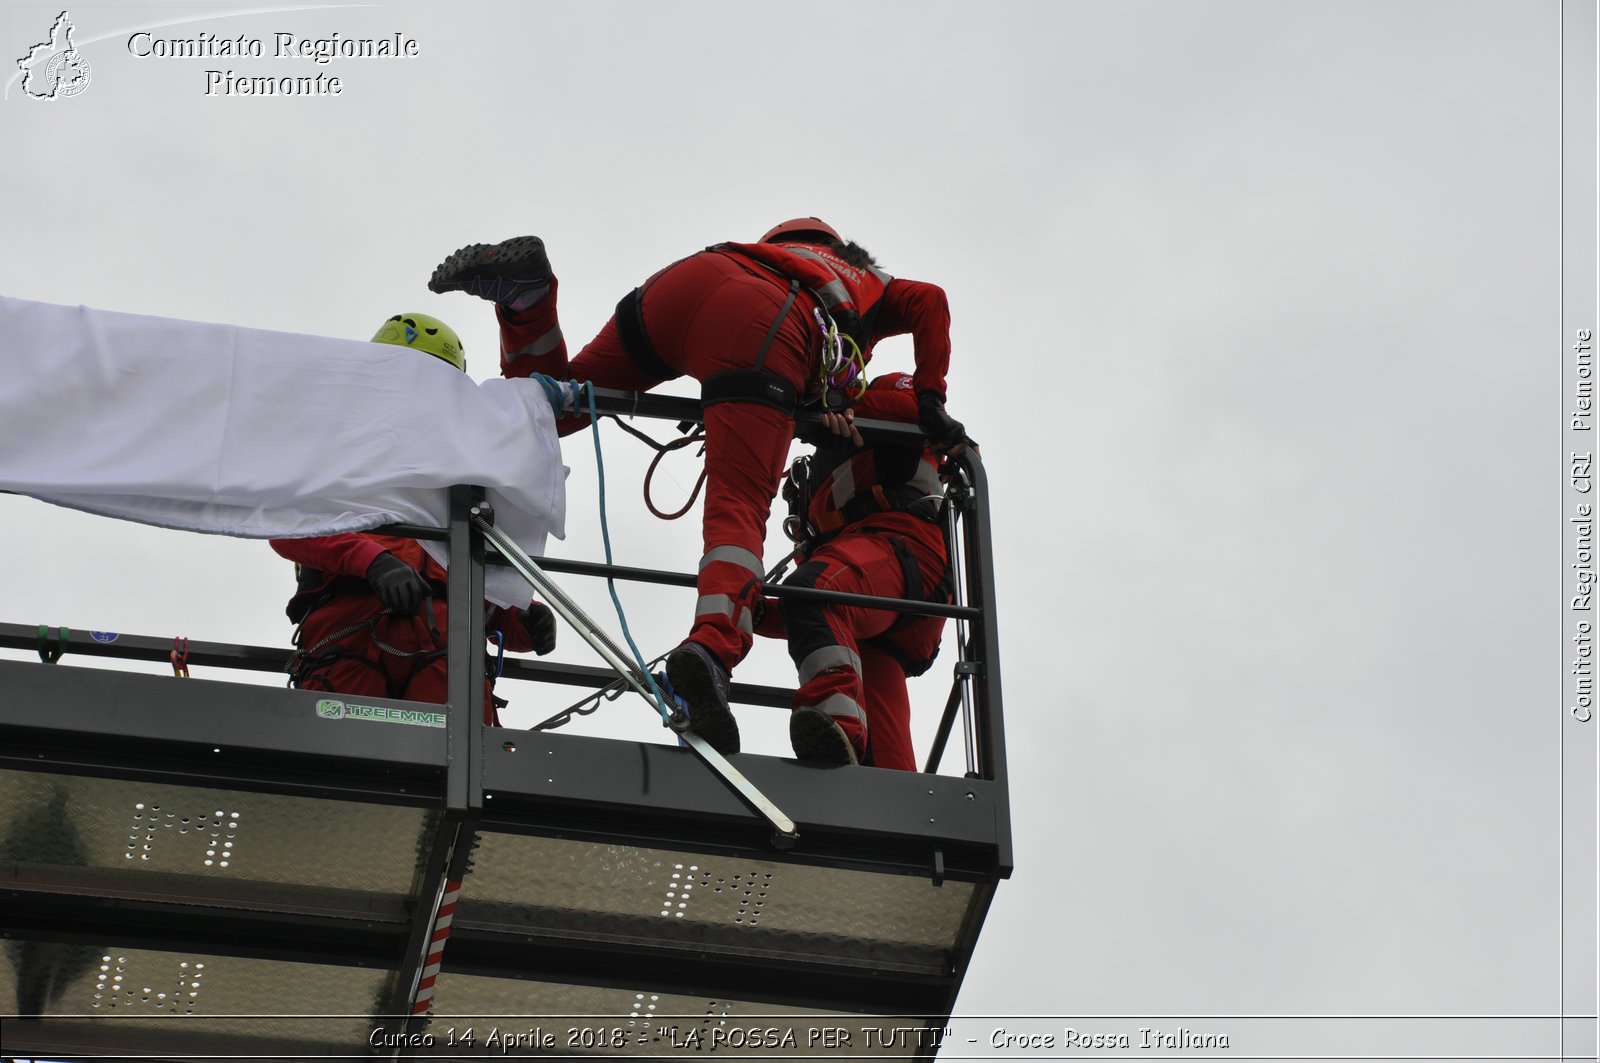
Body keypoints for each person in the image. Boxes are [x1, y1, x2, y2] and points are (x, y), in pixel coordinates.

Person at [427, 221, 973, 755]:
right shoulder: (859, 290)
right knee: (737, 508)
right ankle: (713, 647)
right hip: (767, 321)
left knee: (547, 406)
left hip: (682, 286)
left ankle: (528, 300)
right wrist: (932, 398)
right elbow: (929, 299)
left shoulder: (764, 258)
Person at [270, 313, 557, 724]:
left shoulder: (467, 473)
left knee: (455, 768)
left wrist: (520, 621)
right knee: (340, 767)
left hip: (447, 646)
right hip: (351, 631)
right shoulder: (337, 451)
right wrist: (373, 561)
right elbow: (288, 527)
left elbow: (478, 579)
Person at [757, 372, 954, 769]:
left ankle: (836, 723)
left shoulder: (881, 390)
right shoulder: (819, 463)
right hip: (871, 602)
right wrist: (756, 611)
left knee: (815, 593)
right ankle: (898, 821)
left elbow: (920, 409)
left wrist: (836, 406)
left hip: (903, 549)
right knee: (888, 762)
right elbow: (813, 607)